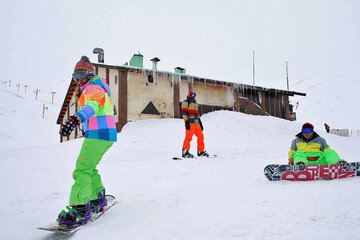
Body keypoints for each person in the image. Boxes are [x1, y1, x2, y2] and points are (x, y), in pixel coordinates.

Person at [57, 56, 117, 226]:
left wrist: (75, 118)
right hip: (105, 134)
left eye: (81, 75)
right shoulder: (96, 87)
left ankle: (80, 208)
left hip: (99, 133)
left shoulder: (93, 88)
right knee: (90, 168)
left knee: (82, 169)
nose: (78, 80)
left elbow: (91, 107)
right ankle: (97, 198)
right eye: (75, 77)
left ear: (89, 73)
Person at [181, 89, 209, 158]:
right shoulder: (185, 102)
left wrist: (200, 123)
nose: (193, 96)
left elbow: (197, 114)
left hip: (196, 123)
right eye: (192, 95)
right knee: (188, 137)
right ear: (189, 95)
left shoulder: (196, 104)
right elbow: (184, 112)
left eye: (194, 95)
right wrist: (186, 121)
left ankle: (201, 151)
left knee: (200, 136)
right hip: (190, 123)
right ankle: (185, 152)